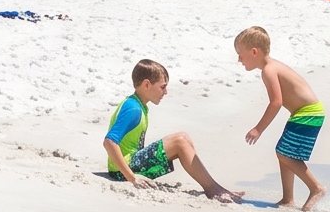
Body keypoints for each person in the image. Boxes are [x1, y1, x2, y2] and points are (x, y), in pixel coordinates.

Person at [101, 59, 240, 200]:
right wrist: (131, 177)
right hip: (122, 171)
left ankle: (211, 186)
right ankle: (213, 189)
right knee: (180, 141)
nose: (165, 92)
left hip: (125, 167)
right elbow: (109, 142)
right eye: (162, 87)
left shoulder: (136, 105)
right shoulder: (133, 109)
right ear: (146, 84)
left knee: (184, 139)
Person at [237, 25, 326, 210]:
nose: (239, 59)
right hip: (306, 112)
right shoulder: (271, 66)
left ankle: (316, 188)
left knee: (283, 153)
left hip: (308, 113)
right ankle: (288, 199)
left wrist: (258, 129)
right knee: (285, 153)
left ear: (254, 52)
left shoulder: (269, 70)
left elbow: (276, 102)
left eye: (240, 54)